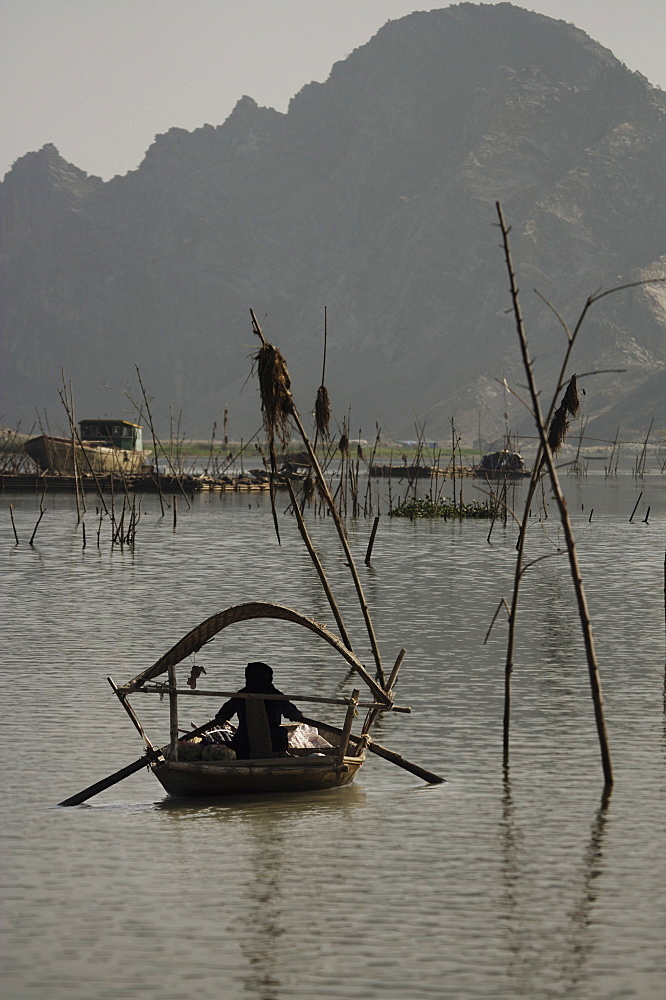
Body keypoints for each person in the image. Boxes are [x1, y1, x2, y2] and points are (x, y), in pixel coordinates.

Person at [214, 661, 304, 759]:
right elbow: (294, 715)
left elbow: (221, 717)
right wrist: (299, 715)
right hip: (275, 745)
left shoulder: (240, 696)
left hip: (244, 746)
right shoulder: (276, 696)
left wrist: (221, 718)